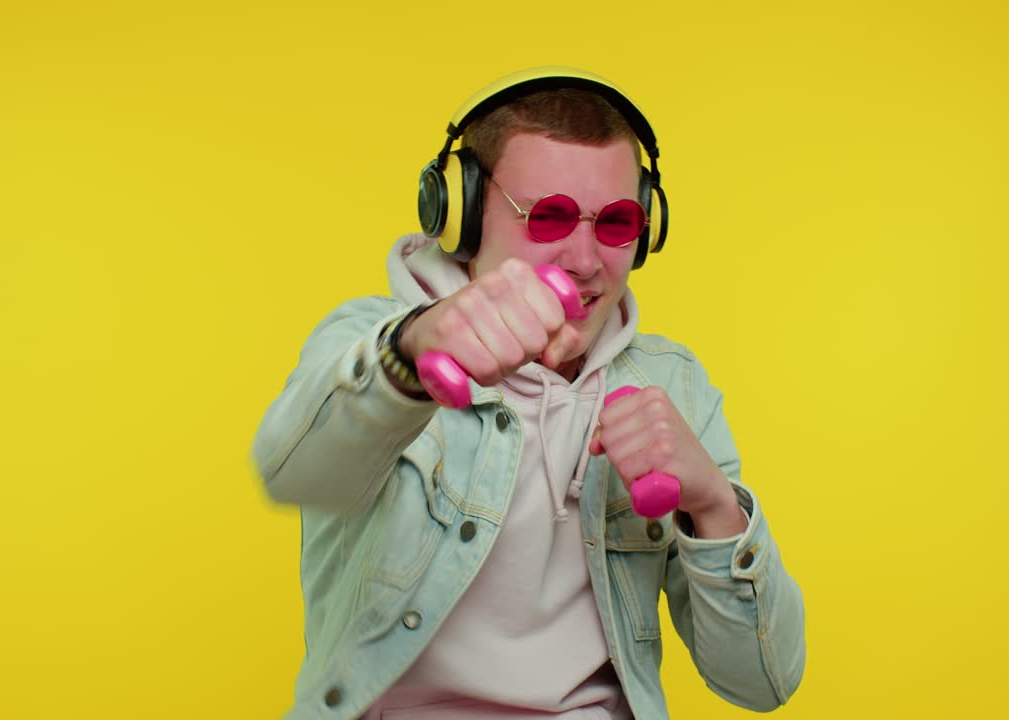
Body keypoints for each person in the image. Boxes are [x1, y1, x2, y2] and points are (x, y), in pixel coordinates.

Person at [252, 67, 805, 719]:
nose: (585, 260)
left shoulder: (674, 386)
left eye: (617, 222)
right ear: (460, 213)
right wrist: (410, 357)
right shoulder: (372, 342)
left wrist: (714, 504)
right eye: (550, 217)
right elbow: (295, 473)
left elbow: (761, 684)